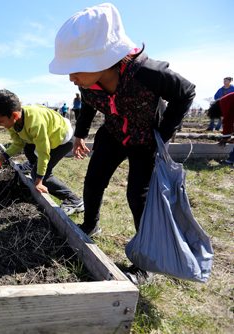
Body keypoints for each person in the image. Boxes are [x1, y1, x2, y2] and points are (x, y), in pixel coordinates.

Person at [48, 3, 195, 283]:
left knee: (137, 197)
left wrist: (162, 137)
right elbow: (90, 105)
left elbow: (186, 92)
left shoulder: (148, 74)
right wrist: (80, 133)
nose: (70, 77)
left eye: (74, 69)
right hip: (113, 134)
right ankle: (90, 225)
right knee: (93, 181)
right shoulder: (86, 81)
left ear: (100, 59)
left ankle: (145, 265)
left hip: (145, 141)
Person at [0, 89, 84, 215]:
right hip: (47, 137)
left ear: (15, 115)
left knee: (41, 175)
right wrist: (1, 158)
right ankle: (34, 165)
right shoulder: (13, 123)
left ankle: (74, 200)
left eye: (0, 121)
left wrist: (38, 181)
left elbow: (44, 152)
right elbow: (18, 143)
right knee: (28, 147)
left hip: (62, 139)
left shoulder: (35, 122)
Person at [210, 92, 234, 165]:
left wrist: (225, 138)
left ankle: (230, 160)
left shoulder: (224, 102)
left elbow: (227, 121)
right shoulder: (228, 99)